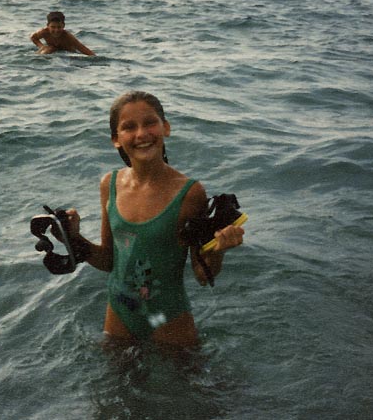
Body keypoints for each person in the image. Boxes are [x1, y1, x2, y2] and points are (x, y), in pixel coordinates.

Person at [62, 91, 245, 348]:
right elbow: (108, 260)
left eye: (150, 123)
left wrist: (219, 250)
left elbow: (203, 275)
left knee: (189, 386)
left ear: (165, 127)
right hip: (119, 313)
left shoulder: (190, 193)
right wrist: (72, 236)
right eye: (129, 127)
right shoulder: (110, 185)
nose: (141, 134)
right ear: (116, 139)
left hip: (168, 320)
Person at [30, 11, 95, 56]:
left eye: (59, 27)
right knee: (46, 50)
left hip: (67, 53)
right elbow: (33, 38)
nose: (56, 30)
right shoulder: (44, 32)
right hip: (52, 50)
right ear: (47, 26)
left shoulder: (68, 36)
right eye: (53, 27)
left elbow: (83, 49)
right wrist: (42, 46)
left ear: (63, 26)